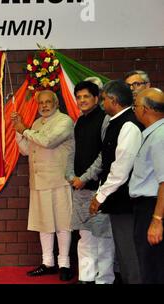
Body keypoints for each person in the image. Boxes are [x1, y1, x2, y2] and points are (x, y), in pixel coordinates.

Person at [11, 90, 74, 281]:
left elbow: (47, 141)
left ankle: (64, 264)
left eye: (48, 102)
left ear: (56, 103)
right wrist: (17, 129)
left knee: (63, 223)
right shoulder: (37, 123)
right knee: (43, 223)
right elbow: (25, 151)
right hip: (38, 182)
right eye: (41, 103)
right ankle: (48, 263)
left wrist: (24, 129)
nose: (44, 106)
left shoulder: (65, 121)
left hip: (59, 180)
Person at [89, 80, 143, 284]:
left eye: (103, 99)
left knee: (129, 250)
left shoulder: (128, 124)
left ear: (114, 100)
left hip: (126, 200)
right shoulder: (117, 122)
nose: (102, 104)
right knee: (123, 249)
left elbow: (121, 168)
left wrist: (100, 195)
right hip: (118, 199)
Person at [66, 81, 115, 284]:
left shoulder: (105, 121)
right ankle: (86, 278)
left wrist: (84, 178)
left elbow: (105, 156)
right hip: (78, 189)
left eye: (86, 96)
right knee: (85, 236)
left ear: (97, 99)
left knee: (103, 238)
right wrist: (70, 175)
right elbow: (73, 152)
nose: (82, 100)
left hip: (99, 190)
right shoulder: (79, 121)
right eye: (79, 97)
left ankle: (103, 279)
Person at [129, 88, 164, 284]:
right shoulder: (152, 134)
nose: (134, 110)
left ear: (145, 109)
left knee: (154, 269)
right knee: (149, 265)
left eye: (135, 106)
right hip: (147, 208)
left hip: (153, 208)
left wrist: (157, 220)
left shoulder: (160, 137)